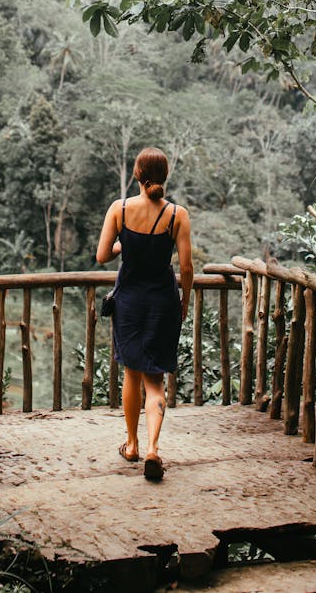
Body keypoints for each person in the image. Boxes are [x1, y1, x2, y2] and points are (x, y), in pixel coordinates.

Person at [96, 146, 193, 482]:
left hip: (129, 302)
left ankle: (132, 444)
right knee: (155, 380)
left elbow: (102, 255)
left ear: (137, 174)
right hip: (163, 302)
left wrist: (127, 243)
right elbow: (186, 266)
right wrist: (185, 300)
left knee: (131, 372)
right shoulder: (176, 215)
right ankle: (153, 449)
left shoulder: (119, 210)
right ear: (164, 177)